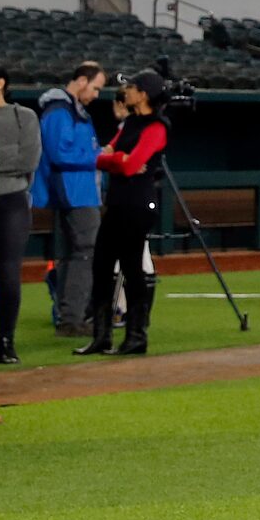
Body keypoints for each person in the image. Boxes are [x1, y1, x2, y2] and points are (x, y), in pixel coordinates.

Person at [78, 71, 169, 356]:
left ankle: (136, 336)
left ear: (144, 94)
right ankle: (101, 337)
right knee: (101, 266)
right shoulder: (130, 122)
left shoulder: (157, 126)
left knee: (132, 268)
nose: (125, 92)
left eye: (131, 87)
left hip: (138, 205)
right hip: (118, 203)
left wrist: (114, 160)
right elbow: (105, 158)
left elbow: (131, 165)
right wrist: (117, 159)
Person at [36, 63, 106, 336]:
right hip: (73, 192)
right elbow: (59, 153)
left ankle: (69, 317)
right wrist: (99, 157)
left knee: (75, 254)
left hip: (77, 190)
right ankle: (71, 319)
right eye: (96, 87)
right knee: (84, 253)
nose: (97, 94)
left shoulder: (70, 110)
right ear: (81, 81)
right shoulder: (60, 111)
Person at [0, 66, 39, 365]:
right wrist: (2, 157)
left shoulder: (23, 116)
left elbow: (28, 159)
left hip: (11, 200)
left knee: (8, 273)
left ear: (0, 83)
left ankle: (6, 340)